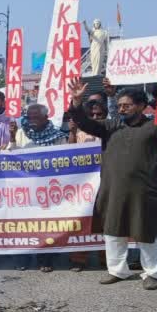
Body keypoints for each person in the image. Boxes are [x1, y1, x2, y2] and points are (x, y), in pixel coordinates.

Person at [67, 78, 157, 290]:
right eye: (120, 105)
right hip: (113, 189)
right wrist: (76, 103)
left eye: (127, 105)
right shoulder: (111, 126)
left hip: (144, 190)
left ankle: (151, 273)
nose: (122, 109)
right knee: (113, 231)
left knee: (145, 232)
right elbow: (85, 123)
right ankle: (117, 270)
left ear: (141, 106)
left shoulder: (156, 126)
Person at [6, 104, 68, 273]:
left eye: (35, 117)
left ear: (45, 118)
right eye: (29, 117)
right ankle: (22, 258)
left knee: (46, 226)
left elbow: (65, 159)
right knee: (23, 226)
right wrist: (11, 138)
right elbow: (11, 156)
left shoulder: (57, 136)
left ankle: (44, 259)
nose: (31, 121)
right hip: (24, 188)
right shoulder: (20, 133)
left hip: (48, 189)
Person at [67, 101, 107, 272]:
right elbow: (68, 151)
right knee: (81, 219)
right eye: (92, 115)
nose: (96, 118)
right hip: (82, 183)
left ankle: (105, 258)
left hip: (105, 180)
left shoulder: (109, 129)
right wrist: (72, 132)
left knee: (104, 220)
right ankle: (79, 259)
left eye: (100, 115)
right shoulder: (80, 130)